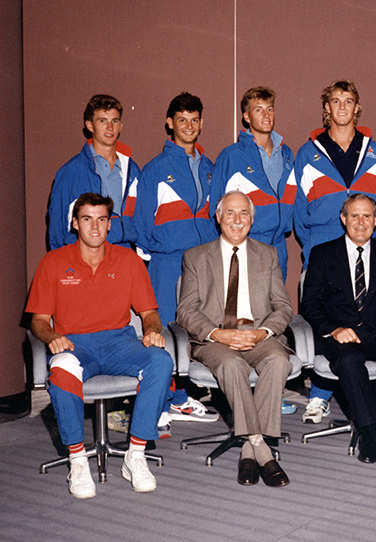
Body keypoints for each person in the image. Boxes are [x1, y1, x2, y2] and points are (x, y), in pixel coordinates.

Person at [26, 193, 174, 499]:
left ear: (110, 225)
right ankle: (78, 460)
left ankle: (135, 454)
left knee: (161, 361)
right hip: (75, 345)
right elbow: (38, 321)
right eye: (87, 219)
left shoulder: (128, 260)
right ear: (74, 223)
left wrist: (151, 332)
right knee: (62, 369)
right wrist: (52, 337)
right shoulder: (53, 263)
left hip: (120, 342)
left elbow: (150, 313)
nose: (95, 227)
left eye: (102, 219)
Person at [176, 190, 293, 487]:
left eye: (244, 214)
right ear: (218, 217)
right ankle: (261, 447)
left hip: (257, 333)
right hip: (215, 338)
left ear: (252, 220)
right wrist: (218, 334)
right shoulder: (196, 256)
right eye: (230, 213)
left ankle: (247, 447)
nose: (237, 220)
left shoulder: (267, 255)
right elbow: (186, 311)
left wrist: (262, 332)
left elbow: (283, 307)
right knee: (232, 366)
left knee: (279, 360)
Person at [293, 80, 376, 424]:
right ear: (327, 108)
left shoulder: (374, 152)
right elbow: (298, 213)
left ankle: (360, 391)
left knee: (363, 317)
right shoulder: (308, 152)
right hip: (322, 250)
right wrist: (317, 245)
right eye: (336, 101)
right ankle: (319, 394)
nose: (342, 107)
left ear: (357, 108)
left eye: (349, 101)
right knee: (323, 321)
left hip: (363, 251)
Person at [300, 194, 376, 471]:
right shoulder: (323, 253)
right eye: (354, 216)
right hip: (341, 334)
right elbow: (310, 304)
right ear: (343, 219)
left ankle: (371, 430)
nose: (360, 222)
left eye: (366, 216)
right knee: (350, 363)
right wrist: (333, 329)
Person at [132, 92, 220, 435]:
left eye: (195, 120)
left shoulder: (209, 167)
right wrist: (166, 250)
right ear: (170, 124)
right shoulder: (154, 169)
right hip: (168, 263)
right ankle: (159, 402)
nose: (189, 126)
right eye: (182, 120)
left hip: (203, 263)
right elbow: (141, 226)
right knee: (165, 331)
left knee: (197, 328)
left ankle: (181, 396)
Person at [210, 86, 296, 280]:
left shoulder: (286, 153)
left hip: (278, 247)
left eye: (270, 109)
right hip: (246, 244)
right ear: (247, 117)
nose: (266, 115)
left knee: (275, 307)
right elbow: (214, 210)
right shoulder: (231, 156)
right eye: (259, 110)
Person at [48, 94, 139, 250]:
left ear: (121, 126)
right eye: (102, 121)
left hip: (123, 255)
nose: (110, 128)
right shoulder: (71, 172)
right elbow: (57, 229)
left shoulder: (132, 170)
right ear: (90, 126)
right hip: (85, 256)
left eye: (114, 121)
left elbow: (140, 219)